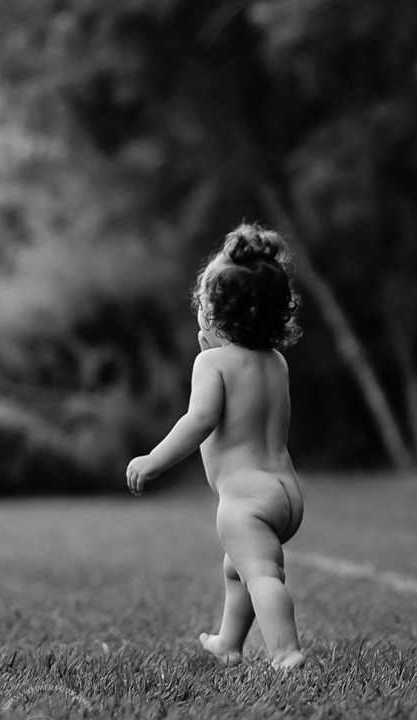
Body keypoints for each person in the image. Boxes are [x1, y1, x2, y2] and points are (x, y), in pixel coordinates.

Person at [126, 222, 306, 671]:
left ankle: (286, 653)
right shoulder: (276, 362)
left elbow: (199, 420)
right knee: (237, 568)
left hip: (245, 499)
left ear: (216, 315)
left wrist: (154, 459)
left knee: (260, 574)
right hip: (285, 493)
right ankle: (228, 642)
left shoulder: (212, 363)